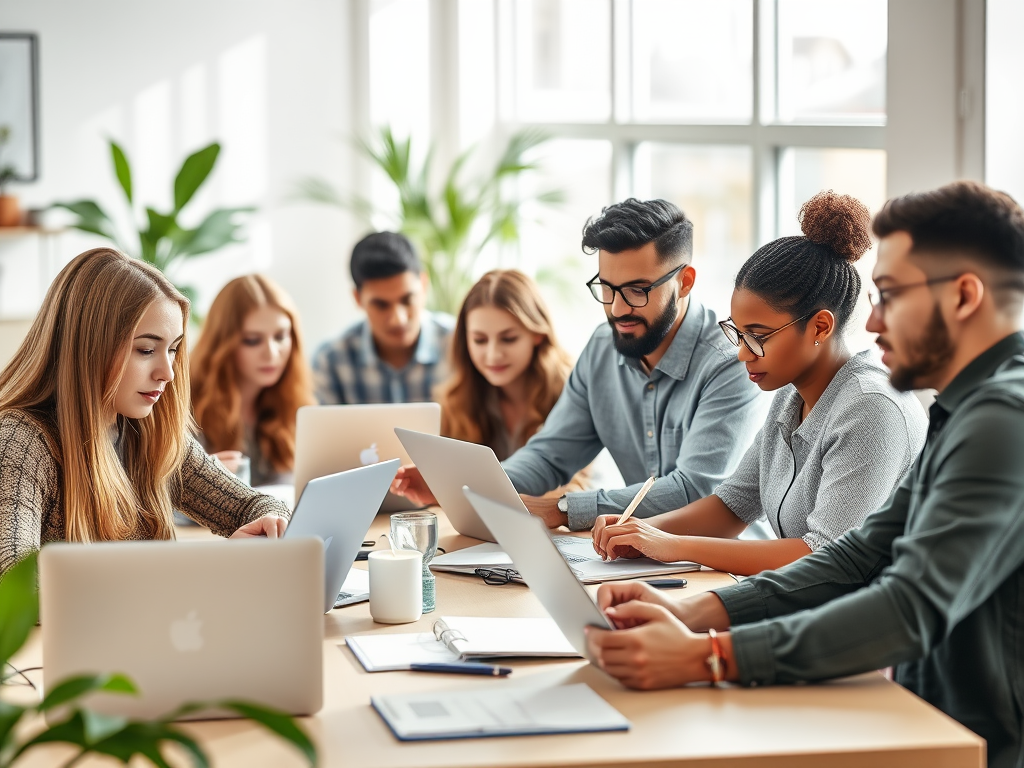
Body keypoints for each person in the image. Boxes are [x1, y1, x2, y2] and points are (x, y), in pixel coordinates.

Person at [585, 181, 1024, 768]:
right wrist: (694, 614)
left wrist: (708, 656)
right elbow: (859, 555)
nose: (871, 323)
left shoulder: (1001, 420)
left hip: (977, 742)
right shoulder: (963, 408)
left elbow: (908, 607)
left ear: (965, 295)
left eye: (889, 295)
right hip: (925, 717)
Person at [591, 191, 927, 575]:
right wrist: (640, 531)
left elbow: (824, 558)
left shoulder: (872, 409)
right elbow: (733, 505)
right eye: (739, 333)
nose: (742, 353)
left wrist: (672, 545)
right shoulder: (791, 393)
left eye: (758, 336)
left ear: (819, 327)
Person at [394, 199, 767, 531]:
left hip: (722, 565)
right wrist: (462, 485)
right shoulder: (603, 348)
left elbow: (695, 491)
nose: (618, 309)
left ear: (684, 282)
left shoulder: (731, 362)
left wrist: (562, 509)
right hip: (634, 557)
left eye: (638, 291)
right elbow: (550, 455)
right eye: (607, 288)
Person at [0, 248, 289, 576]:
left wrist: (270, 527)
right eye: (146, 350)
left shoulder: (149, 430)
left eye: (173, 349)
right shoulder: (20, 442)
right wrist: (199, 571)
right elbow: (12, 583)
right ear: (89, 347)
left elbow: (258, 506)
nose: (168, 373)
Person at [190, 274, 315, 487]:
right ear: (223, 344)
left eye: (280, 336)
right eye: (252, 340)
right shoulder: (189, 409)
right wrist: (200, 483)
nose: (271, 353)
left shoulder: (293, 403)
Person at [438, 269, 573, 460]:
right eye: (480, 340)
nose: (493, 356)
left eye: (508, 339)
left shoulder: (571, 392)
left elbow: (579, 481)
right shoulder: (457, 402)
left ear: (537, 335)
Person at [312, 231, 454, 404]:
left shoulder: (459, 343)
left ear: (423, 285)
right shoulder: (330, 359)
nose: (398, 319)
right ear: (358, 299)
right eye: (381, 305)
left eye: (407, 299)